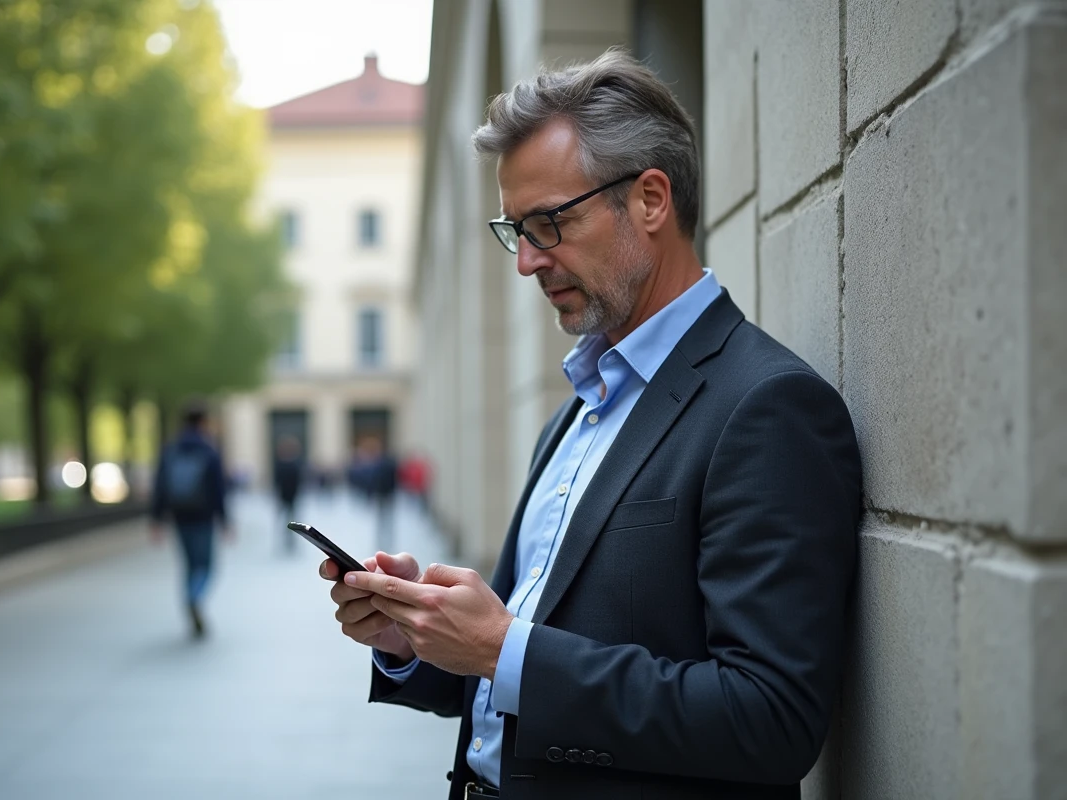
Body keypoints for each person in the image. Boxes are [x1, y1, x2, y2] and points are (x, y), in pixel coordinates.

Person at [322, 49, 862, 800]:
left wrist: (508, 648)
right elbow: (504, 674)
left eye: (549, 223)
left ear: (648, 199)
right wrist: (415, 639)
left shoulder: (767, 408)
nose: (527, 263)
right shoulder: (576, 411)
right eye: (516, 230)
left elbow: (770, 719)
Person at [151, 402, 230, 639]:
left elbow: (160, 486)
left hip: (179, 516)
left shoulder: (171, 450)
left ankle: (189, 599)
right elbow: (218, 489)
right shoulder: (209, 451)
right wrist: (225, 520)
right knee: (205, 566)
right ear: (203, 422)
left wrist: (156, 519)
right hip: (203, 517)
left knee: (188, 565)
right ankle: (195, 597)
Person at [272, 435, 304, 554]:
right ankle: (287, 539)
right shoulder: (285, 464)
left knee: (291, 519)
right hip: (286, 496)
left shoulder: (292, 464)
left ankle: (290, 540)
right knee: (287, 519)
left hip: (290, 496)